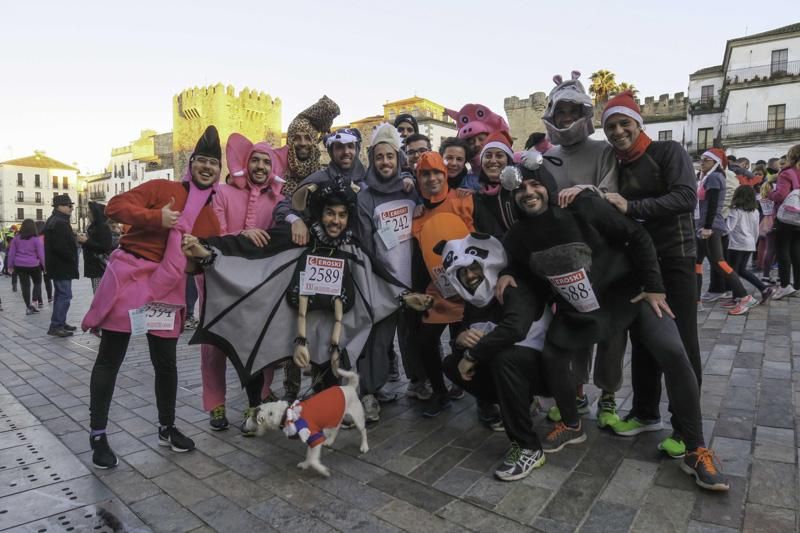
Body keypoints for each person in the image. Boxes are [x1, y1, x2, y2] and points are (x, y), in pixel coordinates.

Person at [499, 164, 729, 491]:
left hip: (629, 296)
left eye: (535, 185)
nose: (528, 193)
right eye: (520, 189)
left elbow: (636, 235)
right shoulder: (517, 236)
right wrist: (509, 274)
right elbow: (519, 267)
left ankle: (696, 448)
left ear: (548, 187)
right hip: (579, 311)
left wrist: (654, 286)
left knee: (673, 353)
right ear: (512, 195)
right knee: (552, 355)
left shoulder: (582, 206)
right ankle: (572, 423)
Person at [82, 126, 223, 469]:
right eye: (201, 160)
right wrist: (156, 218)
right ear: (192, 164)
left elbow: (205, 263)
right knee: (109, 359)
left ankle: (166, 427)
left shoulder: (211, 216)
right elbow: (115, 206)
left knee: (166, 363)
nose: (207, 167)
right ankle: (98, 436)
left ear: (220, 171)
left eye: (213, 163)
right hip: (132, 277)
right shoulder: (164, 188)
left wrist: (199, 253)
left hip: (169, 287)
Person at [438, 233, 557, 481]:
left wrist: (472, 355)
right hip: (517, 370)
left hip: (548, 370)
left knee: (505, 357)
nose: (470, 276)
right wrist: (460, 340)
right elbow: (472, 333)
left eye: (473, 268)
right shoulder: (473, 302)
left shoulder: (510, 286)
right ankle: (519, 403)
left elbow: (514, 328)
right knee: (451, 364)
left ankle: (528, 448)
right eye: (463, 273)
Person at [202, 133, 285, 433]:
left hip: (257, 286)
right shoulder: (222, 193)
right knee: (215, 347)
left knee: (261, 342)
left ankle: (260, 395)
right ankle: (216, 403)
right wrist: (242, 236)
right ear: (245, 163)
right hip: (219, 281)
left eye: (267, 161)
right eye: (256, 160)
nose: (261, 166)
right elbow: (215, 232)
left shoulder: (279, 201)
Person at [271, 96, 340, 401]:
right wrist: (292, 218)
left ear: (315, 143)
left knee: (322, 324)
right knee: (292, 327)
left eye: (307, 138)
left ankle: (323, 388)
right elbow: (279, 208)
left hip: (322, 263)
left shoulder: (324, 175)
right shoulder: (282, 177)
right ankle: (290, 391)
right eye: (296, 137)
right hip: (291, 262)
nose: (301, 143)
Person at [354, 123, 419, 421]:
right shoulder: (365, 198)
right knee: (377, 341)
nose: (385, 162)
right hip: (382, 282)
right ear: (372, 159)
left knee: (412, 337)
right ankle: (369, 391)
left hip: (412, 281)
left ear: (398, 159)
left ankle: (421, 383)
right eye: (379, 157)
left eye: (390, 157)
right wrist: (379, 280)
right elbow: (366, 243)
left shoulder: (411, 189)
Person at [411, 152, 475, 417]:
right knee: (426, 343)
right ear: (418, 179)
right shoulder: (418, 215)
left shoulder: (464, 199)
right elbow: (420, 259)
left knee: (469, 345)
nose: (432, 178)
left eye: (437, 172)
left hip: (469, 290)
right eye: (425, 174)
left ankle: (484, 399)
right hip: (436, 292)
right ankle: (440, 393)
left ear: (445, 173)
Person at [695, 149, 759, 315]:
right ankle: (696, 301)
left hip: (711, 226)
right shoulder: (707, 177)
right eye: (701, 159)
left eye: (706, 160)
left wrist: (708, 227)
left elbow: (714, 204)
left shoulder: (715, 177)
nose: (702, 163)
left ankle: (744, 297)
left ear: (715, 162)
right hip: (704, 225)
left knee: (719, 263)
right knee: (697, 263)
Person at [725, 185, 773, 303]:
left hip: (736, 244)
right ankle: (763, 288)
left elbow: (728, 228)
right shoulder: (755, 211)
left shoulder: (735, 210)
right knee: (741, 270)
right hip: (750, 243)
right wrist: (753, 242)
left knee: (733, 272)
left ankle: (737, 296)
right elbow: (756, 230)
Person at [44, 194, 80, 337]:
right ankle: (56, 325)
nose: (71, 208)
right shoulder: (59, 222)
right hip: (61, 265)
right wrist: (72, 256)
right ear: (59, 207)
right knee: (65, 295)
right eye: (68, 205)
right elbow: (60, 246)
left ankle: (60, 322)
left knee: (60, 295)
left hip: (58, 265)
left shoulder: (56, 220)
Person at [768, 144, 800, 299]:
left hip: (786, 217)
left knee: (783, 251)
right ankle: (798, 286)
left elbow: (780, 196)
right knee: (796, 251)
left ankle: (785, 285)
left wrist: (770, 193)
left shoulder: (787, 173)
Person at [6, 219, 45, 315]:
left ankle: (28, 307)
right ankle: (34, 302)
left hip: (20, 265)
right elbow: (41, 254)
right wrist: (44, 266)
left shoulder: (16, 238)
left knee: (25, 286)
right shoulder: (36, 239)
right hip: (34, 265)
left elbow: (11, 253)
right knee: (37, 283)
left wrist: (10, 266)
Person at [82, 201, 113, 293]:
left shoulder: (102, 227)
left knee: (99, 294)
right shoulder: (93, 227)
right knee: (97, 292)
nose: (88, 214)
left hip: (99, 268)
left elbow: (105, 247)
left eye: (90, 212)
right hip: (94, 267)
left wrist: (86, 241)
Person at [34, 220, 52, 306]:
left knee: (37, 282)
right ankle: (49, 298)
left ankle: (40, 301)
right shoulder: (47, 237)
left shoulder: (34, 237)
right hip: (46, 261)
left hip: (36, 262)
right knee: (47, 280)